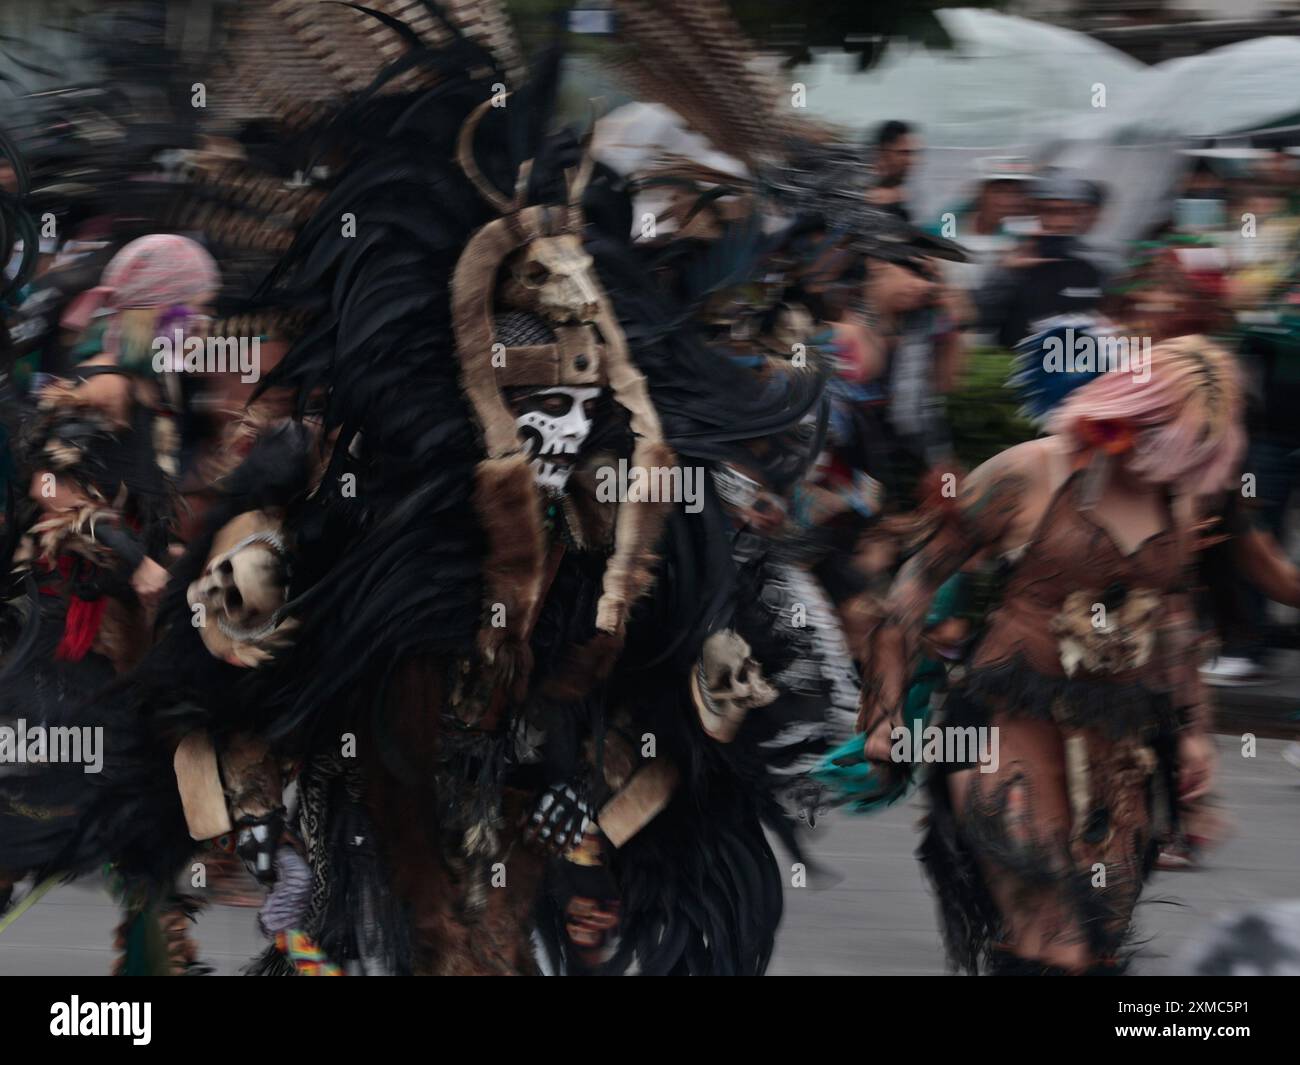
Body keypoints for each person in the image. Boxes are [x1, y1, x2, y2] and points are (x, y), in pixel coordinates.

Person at [857, 336, 1242, 974]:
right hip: (1010, 719)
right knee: (1054, 931)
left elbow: (1176, 615)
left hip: (1122, 739)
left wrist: (1196, 734)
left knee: (1097, 941)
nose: (1167, 468)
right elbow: (907, 595)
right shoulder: (1025, 474)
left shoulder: (1182, 493)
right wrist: (883, 715)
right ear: (1126, 415)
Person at [975, 173, 1105, 350]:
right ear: (1032, 213)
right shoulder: (1007, 258)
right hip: (1018, 369)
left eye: (1069, 211)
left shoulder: (1098, 265)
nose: (1060, 222)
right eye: (1049, 211)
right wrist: (1006, 273)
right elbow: (979, 320)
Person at [869, 120, 920, 222]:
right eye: (903, 153)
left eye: (912, 153)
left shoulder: (900, 204)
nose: (910, 161)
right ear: (881, 152)